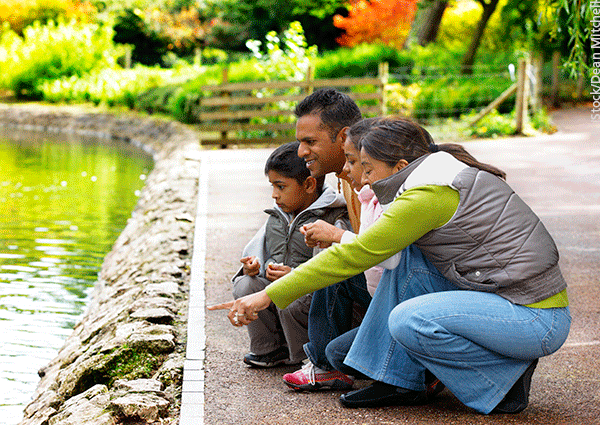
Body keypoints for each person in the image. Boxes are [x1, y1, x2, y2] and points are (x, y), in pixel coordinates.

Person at [210, 117, 571, 415]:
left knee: (409, 321)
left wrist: (266, 296)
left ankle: (502, 377)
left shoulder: (428, 194)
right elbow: (388, 257)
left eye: (367, 168)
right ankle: (400, 379)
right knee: (408, 262)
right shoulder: (436, 176)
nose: (363, 179)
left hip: (534, 316)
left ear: (399, 166)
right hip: (505, 299)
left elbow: (356, 254)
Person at [280, 88, 373, 391]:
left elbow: (383, 249)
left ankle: (324, 364)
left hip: (398, 285)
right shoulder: (342, 178)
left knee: (335, 264)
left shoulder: (372, 177)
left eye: (310, 142)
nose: (301, 152)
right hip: (376, 277)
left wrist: (336, 236)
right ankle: (324, 362)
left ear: (343, 135)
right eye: (300, 142)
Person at [231, 141, 349, 368]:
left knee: (290, 296)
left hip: (308, 295)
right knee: (247, 285)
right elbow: (257, 251)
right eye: (272, 187)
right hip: (279, 295)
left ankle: (305, 357)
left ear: (308, 184)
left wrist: (294, 275)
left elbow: (332, 266)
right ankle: (269, 349)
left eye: (281, 187)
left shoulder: (332, 217)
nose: (274, 195)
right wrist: (252, 267)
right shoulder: (277, 217)